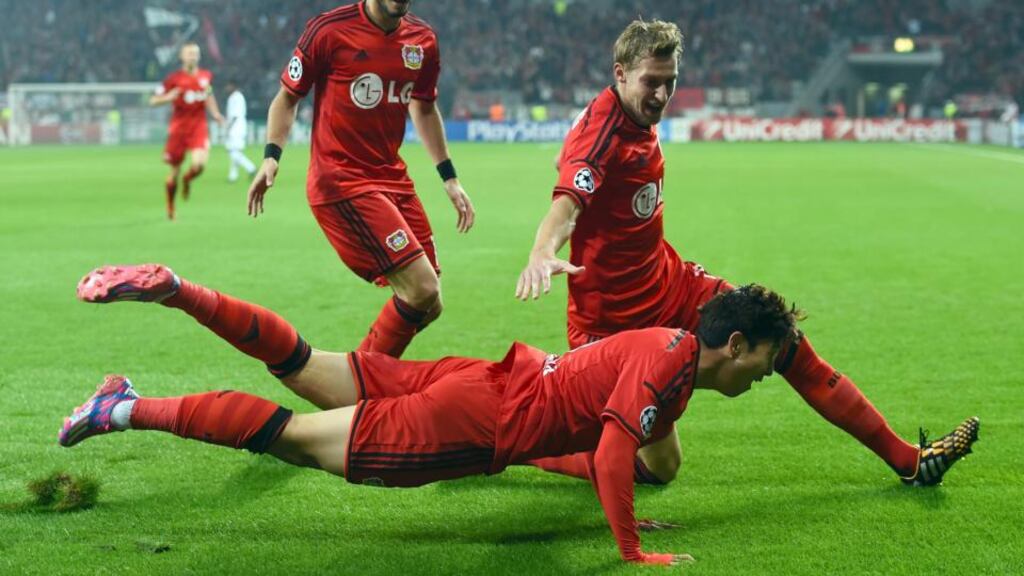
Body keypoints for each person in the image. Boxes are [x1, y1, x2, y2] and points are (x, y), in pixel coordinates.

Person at [64, 264, 824, 566]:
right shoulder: (668, 369)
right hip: (468, 426)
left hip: (481, 379)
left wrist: (616, 499)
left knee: (308, 366)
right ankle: (122, 408)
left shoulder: (666, 350)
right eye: (768, 359)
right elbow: (619, 451)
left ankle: (180, 292)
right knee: (294, 438)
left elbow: (607, 450)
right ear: (735, 344)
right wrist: (630, 551)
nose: (768, 375)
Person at [515, 19, 978, 488]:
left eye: (669, 82)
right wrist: (540, 250)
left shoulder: (628, 114)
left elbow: (569, 159)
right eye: (650, 83)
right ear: (619, 74)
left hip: (671, 284)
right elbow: (567, 203)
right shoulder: (601, 135)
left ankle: (909, 461)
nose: (659, 95)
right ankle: (519, 450)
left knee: (783, 339)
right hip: (610, 324)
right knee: (661, 466)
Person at [245, 0, 475, 358]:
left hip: (393, 179)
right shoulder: (329, 30)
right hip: (342, 181)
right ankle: (362, 385)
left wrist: (450, 178)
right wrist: (271, 158)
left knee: (430, 303)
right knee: (421, 288)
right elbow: (287, 98)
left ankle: (359, 375)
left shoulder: (423, 40)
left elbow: (424, 107)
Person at [150, 42, 226, 220]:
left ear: (199, 56)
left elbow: (209, 95)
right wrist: (168, 97)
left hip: (198, 126)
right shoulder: (173, 79)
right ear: (182, 57)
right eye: (189, 53)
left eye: (195, 53)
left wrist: (215, 113)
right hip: (178, 129)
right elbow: (153, 100)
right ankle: (170, 207)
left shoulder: (206, 76)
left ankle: (188, 179)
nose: (192, 56)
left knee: (199, 164)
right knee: (174, 172)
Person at [224, 81, 256, 183]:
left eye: (228, 85)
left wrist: (229, 127)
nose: (227, 87)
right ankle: (233, 176)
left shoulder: (236, 97)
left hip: (236, 127)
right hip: (238, 126)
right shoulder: (235, 97)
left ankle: (251, 168)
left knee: (231, 150)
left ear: (233, 86)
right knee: (236, 151)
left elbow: (235, 115)